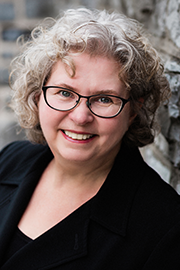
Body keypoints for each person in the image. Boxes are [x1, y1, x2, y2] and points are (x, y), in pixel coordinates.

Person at [0, 7, 180, 270]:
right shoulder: (10, 159)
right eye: (64, 93)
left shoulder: (164, 227)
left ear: (133, 111)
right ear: (38, 96)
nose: (80, 116)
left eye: (105, 99)